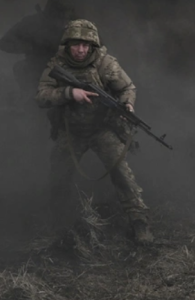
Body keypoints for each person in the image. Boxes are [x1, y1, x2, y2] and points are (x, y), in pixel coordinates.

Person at [35, 19, 153, 244]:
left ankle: (139, 221)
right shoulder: (56, 65)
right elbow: (41, 96)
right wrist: (70, 93)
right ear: (67, 44)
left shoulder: (105, 64)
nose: (81, 50)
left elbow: (128, 88)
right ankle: (57, 222)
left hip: (103, 129)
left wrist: (127, 105)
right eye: (76, 44)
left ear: (93, 47)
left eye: (86, 45)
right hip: (72, 131)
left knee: (122, 174)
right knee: (59, 177)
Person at [0, 0, 77, 98]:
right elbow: (4, 43)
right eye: (59, 19)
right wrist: (30, 47)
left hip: (67, 76)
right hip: (35, 76)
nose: (63, 23)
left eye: (66, 19)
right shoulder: (32, 24)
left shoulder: (76, 27)